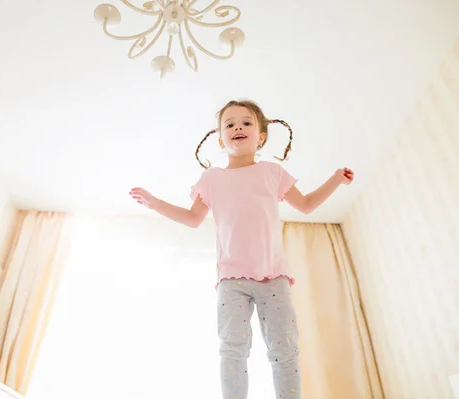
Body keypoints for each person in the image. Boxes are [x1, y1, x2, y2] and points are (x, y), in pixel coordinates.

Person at [129, 100, 354, 399]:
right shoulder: (212, 179)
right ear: (221, 138)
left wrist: (336, 180)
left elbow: (307, 205)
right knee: (232, 348)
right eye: (230, 124)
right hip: (232, 280)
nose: (238, 127)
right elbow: (192, 218)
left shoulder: (273, 172)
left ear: (261, 135)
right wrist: (155, 203)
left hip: (273, 276)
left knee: (285, 348)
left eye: (247, 123)